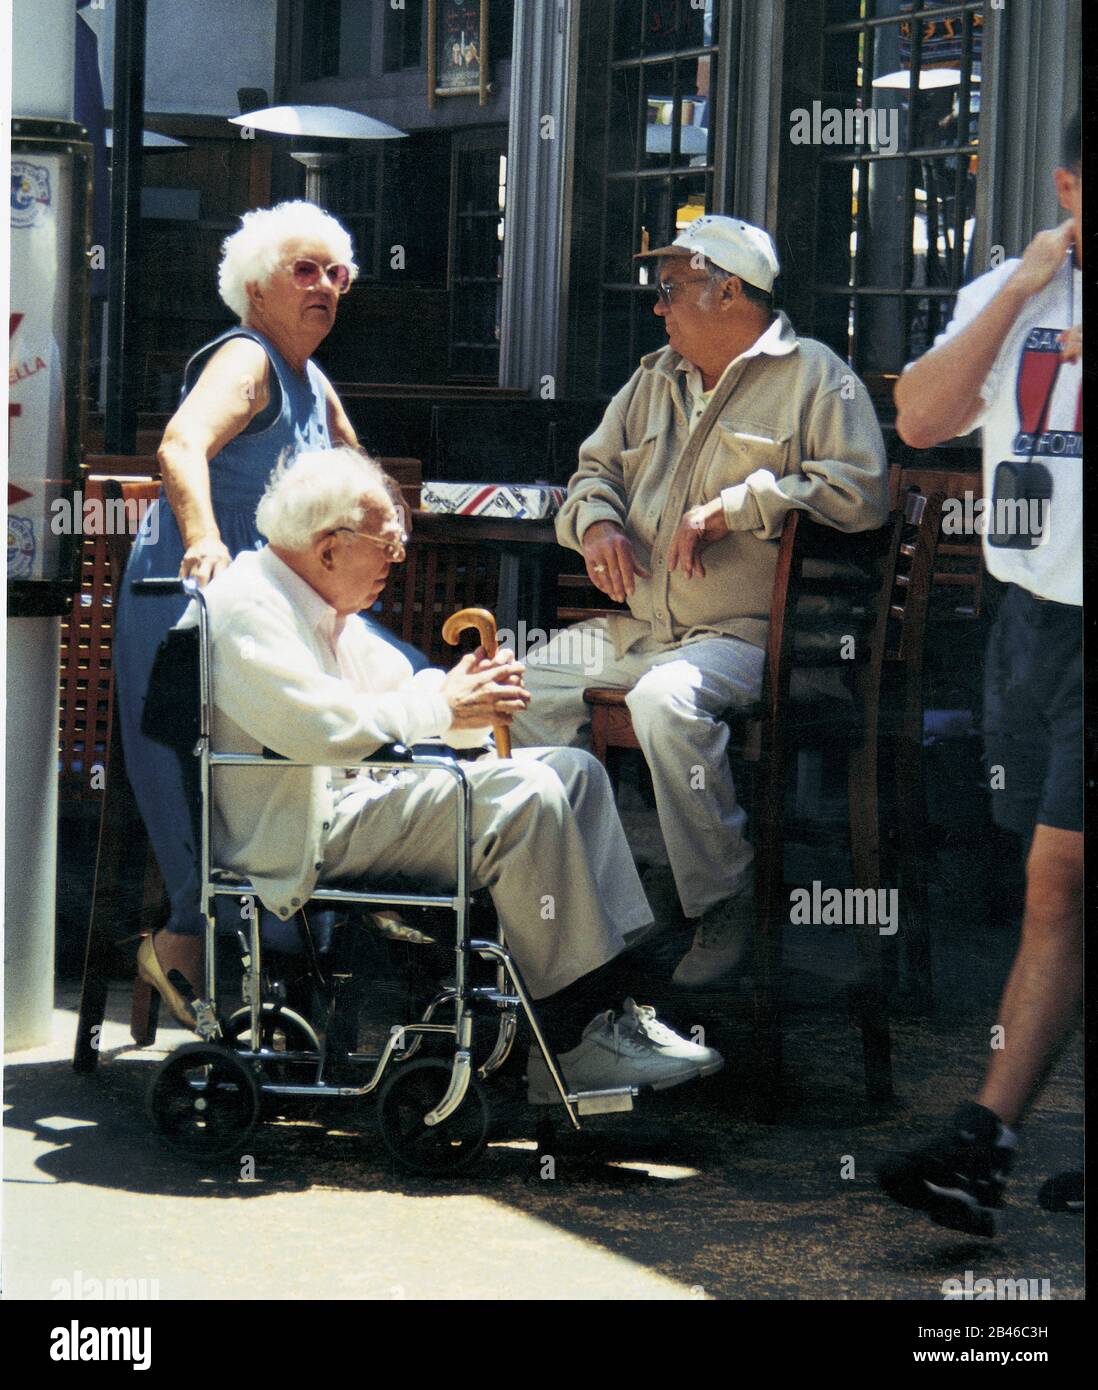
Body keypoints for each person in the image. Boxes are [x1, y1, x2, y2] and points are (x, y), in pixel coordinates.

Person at [146, 447, 724, 1104]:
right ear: (329, 547)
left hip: (352, 803)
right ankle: (574, 1038)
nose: (397, 563)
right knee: (526, 796)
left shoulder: (311, 597)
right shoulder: (250, 604)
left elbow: (405, 693)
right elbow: (323, 729)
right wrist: (443, 706)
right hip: (299, 832)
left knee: (575, 773)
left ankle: (613, 1007)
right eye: (386, 547)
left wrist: (471, 702)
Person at [511, 214, 889, 986]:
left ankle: (723, 898)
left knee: (664, 704)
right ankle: (609, 894)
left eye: (671, 288)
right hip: (641, 625)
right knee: (514, 693)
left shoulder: (816, 375)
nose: (658, 306)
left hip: (750, 636)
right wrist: (599, 524)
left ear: (729, 290)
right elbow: (591, 474)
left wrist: (738, 507)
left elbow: (863, 494)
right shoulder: (653, 377)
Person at [116, 201, 416, 1007]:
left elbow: (363, 477)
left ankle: (348, 897)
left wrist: (385, 526)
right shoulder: (248, 360)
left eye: (338, 273)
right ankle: (196, 941)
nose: (327, 286)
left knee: (398, 687)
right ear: (255, 288)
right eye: (305, 270)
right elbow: (181, 443)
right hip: (194, 605)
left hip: (277, 613)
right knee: (204, 776)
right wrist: (205, 540)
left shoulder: (313, 382)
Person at [879, 114, 1083, 1237]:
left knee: (1059, 885)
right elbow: (920, 415)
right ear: (1067, 187)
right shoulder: (1014, 289)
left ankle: (982, 1145)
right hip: (1030, 619)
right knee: (1058, 889)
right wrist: (1018, 295)